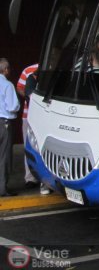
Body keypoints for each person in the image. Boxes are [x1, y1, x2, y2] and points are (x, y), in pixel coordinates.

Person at [16, 63, 50, 195]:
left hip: (46, 117)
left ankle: (44, 180)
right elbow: (19, 87)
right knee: (29, 147)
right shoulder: (28, 70)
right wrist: (30, 96)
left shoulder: (52, 69)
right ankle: (30, 178)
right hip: (28, 115)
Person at [0, 58, 20, 197]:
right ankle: (2, 188)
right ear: (5, 69)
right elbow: (12, 106)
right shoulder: (7, 85)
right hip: (4, 123)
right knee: (4, 157)